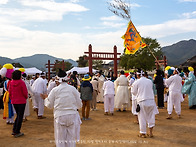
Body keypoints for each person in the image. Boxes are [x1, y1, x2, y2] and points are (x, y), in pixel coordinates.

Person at [43, 69, 82, 147]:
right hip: (72, 115)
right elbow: (79, 104)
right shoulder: (73, 89)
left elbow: (49, 105)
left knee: (60, 139)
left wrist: (45, 99)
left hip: (60, 115)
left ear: (57, 79)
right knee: (71, 138)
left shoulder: (55, 90)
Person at [131, 70, 156, 138]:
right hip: (151, 100)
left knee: (142, 117)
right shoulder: (149, 81)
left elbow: (133, 92)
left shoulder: (137, 82)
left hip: (142, 100)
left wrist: (138, 95)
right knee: (151, 116)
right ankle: (150, 133)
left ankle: (143, 133)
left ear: (138, 75)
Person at [9, 70, 28, 137]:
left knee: (18, 115)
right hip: (21, 101)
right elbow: (25, 92)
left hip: (14, 101)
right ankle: (16, 131)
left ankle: (15, 130)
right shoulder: (22, 82)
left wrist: (12, 99)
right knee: (20, 116)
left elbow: (10, 92)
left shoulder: (11, 82)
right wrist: (26, 97)